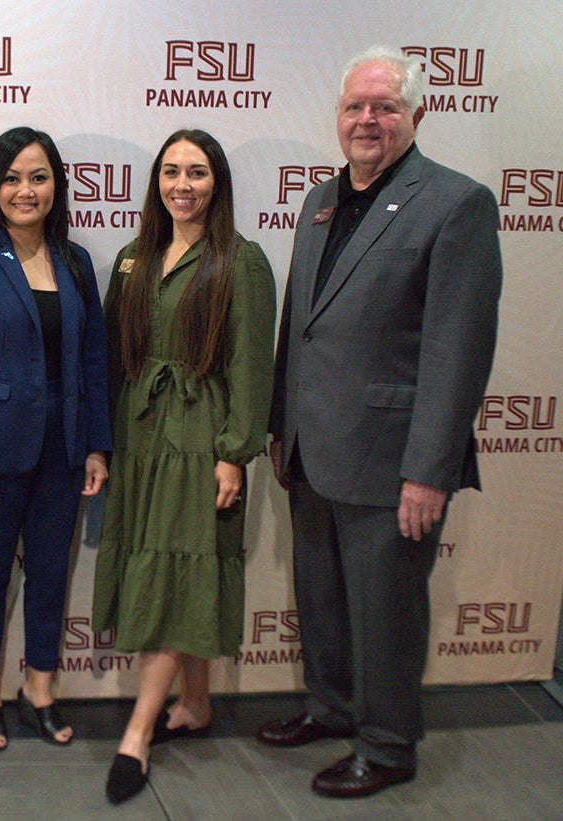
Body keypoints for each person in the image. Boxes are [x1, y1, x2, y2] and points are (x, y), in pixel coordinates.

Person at [258, 45, 502, 798]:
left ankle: (389, 744)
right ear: (338, 117)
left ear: (416, 114)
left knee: (386, 611)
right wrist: (278, 424)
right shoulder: (319, 199)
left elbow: (456, 349)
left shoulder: (455, 202)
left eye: (385, 106)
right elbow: (302, 318)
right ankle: (332, 708)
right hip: (311, 448)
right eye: (356, 107)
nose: (368, 120)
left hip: (392, 458)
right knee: (323, 599)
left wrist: (429, 469)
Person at [92, 129, 277, 804]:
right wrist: (98, 441)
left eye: (197, 172)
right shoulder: (132, 257)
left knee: (175, 572)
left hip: (201, 438)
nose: (182, 184)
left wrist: (234, 451)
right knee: (172, 562)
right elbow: (109, 355)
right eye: (171, 171)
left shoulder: (240, 260)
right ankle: (194, 703)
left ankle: (137, 734)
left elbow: (253, 365)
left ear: (217, 183)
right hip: (140, 436)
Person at [0, 127, 111, 753]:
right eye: (11, 178)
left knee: (49, 577)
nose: (25, 190)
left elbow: (93, 361)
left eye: (38, 177)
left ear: (57, 184)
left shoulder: (76, 261)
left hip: (63, 453)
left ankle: (39, 688)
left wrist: (96, 445)